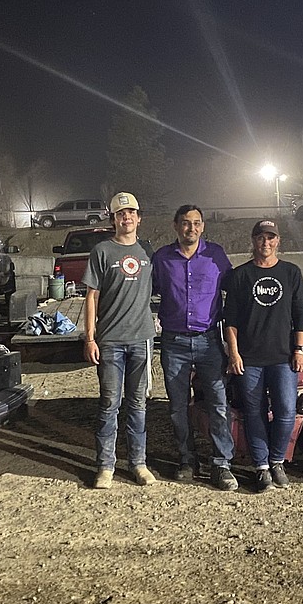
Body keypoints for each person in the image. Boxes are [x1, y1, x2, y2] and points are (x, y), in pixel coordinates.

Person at [152, 204, 237, 491]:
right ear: (175, 226)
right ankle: (187, 460)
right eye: (186, 223)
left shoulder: (216, 256)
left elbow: (236, 290)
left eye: (197, 223)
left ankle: (221, 463)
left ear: (203, 226)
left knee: (218, 403)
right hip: (173, 343)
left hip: (209, 341)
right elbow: (141, 292)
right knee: (177, 407)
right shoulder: (162, 259)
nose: (192, 228)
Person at [222, 219, 303, 492]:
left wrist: (299, 349)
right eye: (261, 237)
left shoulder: (291, 273)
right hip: (249, 359)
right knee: (254, 413)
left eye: (271, 238)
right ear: (253, 240)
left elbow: (301, 316)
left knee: (285, 410)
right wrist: (233, 354)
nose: (266, 243)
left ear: (278, 241)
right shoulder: (241, 276)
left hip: (283, 357)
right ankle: (261, 468)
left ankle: (277, 461)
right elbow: (230, 320)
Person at [83, 191, 157, 489]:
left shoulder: (148, 253)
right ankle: (106, 466)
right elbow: (92, 297)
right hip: (111, 340)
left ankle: (138, 463)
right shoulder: (102, 252)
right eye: (120, 214)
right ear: (113, 219)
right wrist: (90, 338)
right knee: (110, 403)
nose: (126, 218)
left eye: (131, 213)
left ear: (139, 218)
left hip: (142, 340)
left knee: (138, 404)